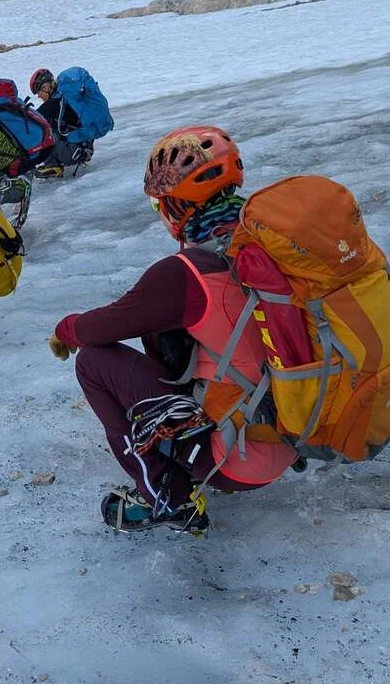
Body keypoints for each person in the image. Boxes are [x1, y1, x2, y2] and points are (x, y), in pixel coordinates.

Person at [48, 126, 298, 533]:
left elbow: (98, 329)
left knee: (93, 363)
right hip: (290, 429)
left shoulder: (186, 274)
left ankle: (167, 496)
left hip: (237, 456)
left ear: (175, 204)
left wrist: (66, 329)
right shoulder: (270, 241)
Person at [28, 68, 93, 179]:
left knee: (40, 129)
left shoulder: (54, 103)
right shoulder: (63, 97)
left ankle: (52, 165)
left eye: (38, 92)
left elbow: (32, 120)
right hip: (83, 149)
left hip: (72, 152)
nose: (38, 96)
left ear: (45, 87)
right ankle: (56, 162)